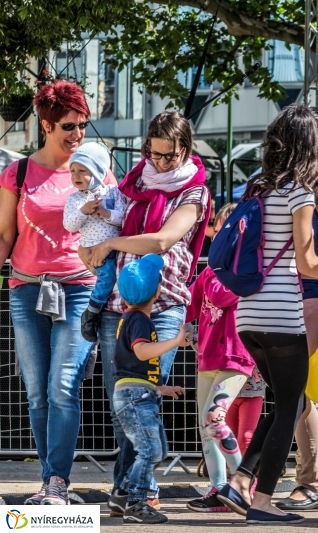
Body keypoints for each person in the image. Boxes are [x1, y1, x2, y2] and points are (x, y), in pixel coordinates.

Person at [213, 104, 318, 525]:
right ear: (311, 146)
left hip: (248, 316)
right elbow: (308, 262)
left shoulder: (256, 187)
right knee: (288, 407)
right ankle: (263, 501)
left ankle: (239, 482)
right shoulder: (300, 193)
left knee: (281, 403)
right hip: (283, 316)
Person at [84, 111, 212, 516]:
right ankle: (126, 493)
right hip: (120, 303)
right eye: (150, 153)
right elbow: (106, 223)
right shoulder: (135, 181)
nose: (156, 163)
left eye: (166, 157)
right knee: (126, 403)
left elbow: (162, 240)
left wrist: (113, 245)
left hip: (166, 303)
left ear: (184, 151)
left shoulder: (194, 192)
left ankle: (136, 493)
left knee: (140, 400)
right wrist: (94, 249)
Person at [0, 80, 112, 505]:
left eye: (83, 124)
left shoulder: (97, 169)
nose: (78, 134)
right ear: (46, 124)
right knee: (37, 391)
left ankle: (57, 484)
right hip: (26, 290)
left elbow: (117, 223)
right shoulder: (19, 172)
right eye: (69, 125)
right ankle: (50, 483)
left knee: (63, 385)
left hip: (79, 288)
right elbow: (5, 235)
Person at [276, 114, 318, 512]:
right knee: (302, 393)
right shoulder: (301, 187)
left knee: (299, 391)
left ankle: (313, 480)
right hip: (297, 297)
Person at [111, 254, 193, 524]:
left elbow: (133, 364)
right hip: (136, 396)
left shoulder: (129, 318)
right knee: (151, 451)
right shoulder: (140, 321)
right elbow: (142, 352)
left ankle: (124, 493)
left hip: (137, 392)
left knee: (155, 449)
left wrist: (160, 388)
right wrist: (175, 341)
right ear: (157, 290)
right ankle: (135, 502)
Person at [184, 202, 253, 513]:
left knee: (215, 418)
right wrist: (184, 327)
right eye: (220, 226)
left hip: (236, 357)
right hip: (208, 357)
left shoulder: (247, 270)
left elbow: (222, 295)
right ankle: (219, 488)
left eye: (230, 227)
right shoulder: (210, 271)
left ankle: (242, 486)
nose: (222, 232)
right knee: (205, 424)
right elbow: (190, 302)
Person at [62, 142, 127, 342]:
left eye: (82, 170)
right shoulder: (74, 199)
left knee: (119, 279)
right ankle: (92, 311)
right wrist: (83, 210)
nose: (76, 176)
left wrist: (106, 213)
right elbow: (69, 225)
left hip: (117, 247)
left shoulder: (114, 192)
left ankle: (106, 309)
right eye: (73, 171)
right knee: (107, 276)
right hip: (92, 250)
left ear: (98, 171)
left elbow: (123, 217)